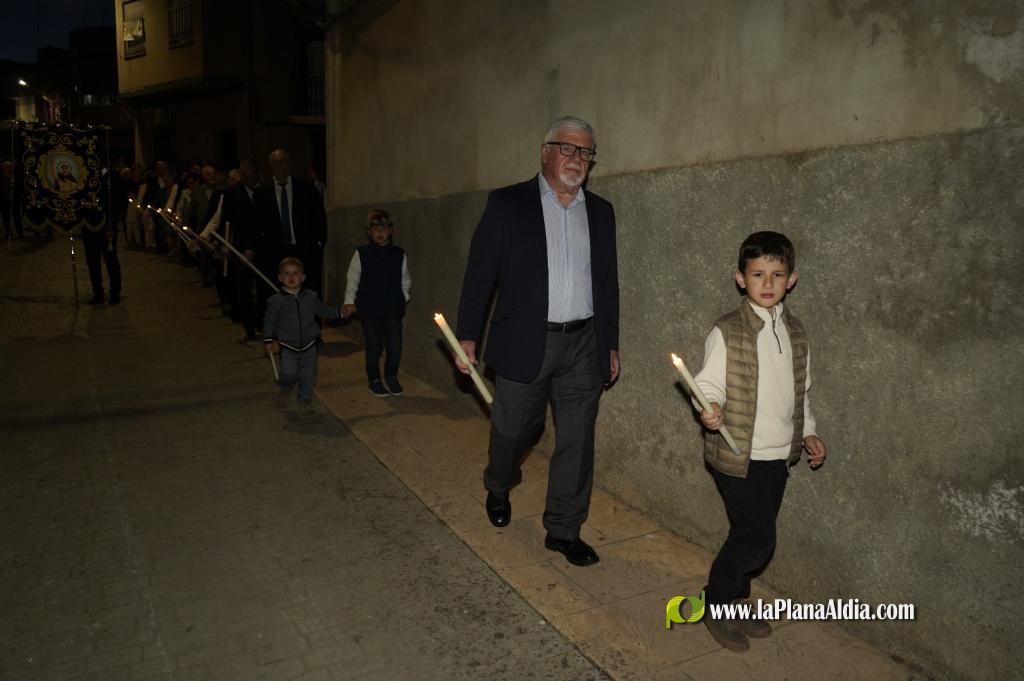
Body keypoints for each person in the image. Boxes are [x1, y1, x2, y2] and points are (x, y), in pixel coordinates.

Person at [454, 116, 620, 567]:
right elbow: (479, 275)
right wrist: (467, 335)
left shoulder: (600, 212)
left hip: (584, 344)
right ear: (544, 152)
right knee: (513, 429)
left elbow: (607, 283)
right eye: (567, 148)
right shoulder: (508, 204)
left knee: (577, 441)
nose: (577, 159)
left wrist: (610, 343)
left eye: (585, 152)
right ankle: (498, 482)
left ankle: (564, 529)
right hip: (526, 339)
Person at [693, 231, 828, 652]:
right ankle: (715, 602)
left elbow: (800, 392)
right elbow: (707, 383)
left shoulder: (797, 333)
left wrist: (808, 431)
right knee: (757, 539)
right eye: (757, 274)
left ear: (792, 279)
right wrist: (709, 408)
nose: (767, 283)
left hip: (777, 457)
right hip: (736, 454)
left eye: (777, 274)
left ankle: (735, 599)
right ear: (740, 278)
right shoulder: (728, 331)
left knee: (749, 532)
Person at [341, 209, 412, 397]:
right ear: (369, 232)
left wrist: (403, 297)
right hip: (370, 309)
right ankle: (374, 380)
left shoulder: (399, 254)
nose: (380, 232)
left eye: (384, 228)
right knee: (374, 346)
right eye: (375, 228)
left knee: (395, 345)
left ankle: (391, 376)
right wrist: (349, 301)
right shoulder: (361, 253)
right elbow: (353, 278)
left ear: (390, 230)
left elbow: (405, 279)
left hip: (393, 309)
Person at [262, 257, 341, 413]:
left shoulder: (311, 297)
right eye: (287, 274)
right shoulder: (276, 300)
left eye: (295, 274)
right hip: (287, 346)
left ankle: (305, 400)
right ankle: (285, 388)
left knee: (308, 376)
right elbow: (269, 320)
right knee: (289, 374)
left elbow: (323, 311)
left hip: (309, 345)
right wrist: (268, 339)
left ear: (303, 277)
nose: (291, 277)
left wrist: (340, 312)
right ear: (280, 277)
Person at [257, 149, 327, 295]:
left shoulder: (306, 186)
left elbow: (319, 216)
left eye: (284, 162)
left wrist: (319, 241)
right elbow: (257, 222)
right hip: (275, 251)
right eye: (275, 162)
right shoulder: (262, 191)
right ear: (271, 166)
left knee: (309, 290)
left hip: (305, 249)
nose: (280, 166)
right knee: (280, 292)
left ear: (290, 165)